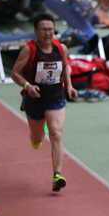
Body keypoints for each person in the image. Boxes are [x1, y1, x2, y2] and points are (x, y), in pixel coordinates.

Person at [11, 13, 78, 192]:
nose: (48, 33)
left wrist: (69, 86)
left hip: (55, 97)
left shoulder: (61, 48)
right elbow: (15, 73)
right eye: (44, 29)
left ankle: (57, 175)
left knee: (56, 133)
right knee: (37, 137)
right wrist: (27, 86)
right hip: (34, 99)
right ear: (36, 31)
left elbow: (65, 67)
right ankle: (37, 137)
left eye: (51, 29)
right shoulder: (29, 50)